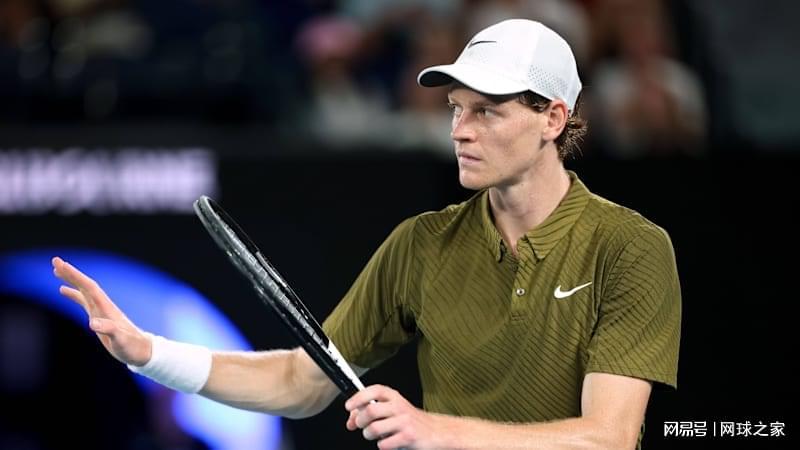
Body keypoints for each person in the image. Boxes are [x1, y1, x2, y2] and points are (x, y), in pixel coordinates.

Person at [52, 18, 680, 450]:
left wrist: (435, 430)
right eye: (457, 108)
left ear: (553, 118)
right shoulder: (421, 244)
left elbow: (608, 437)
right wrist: (150, 354)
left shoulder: (631, 248)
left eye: (487, 111)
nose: (460, 130)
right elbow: (300, 382)